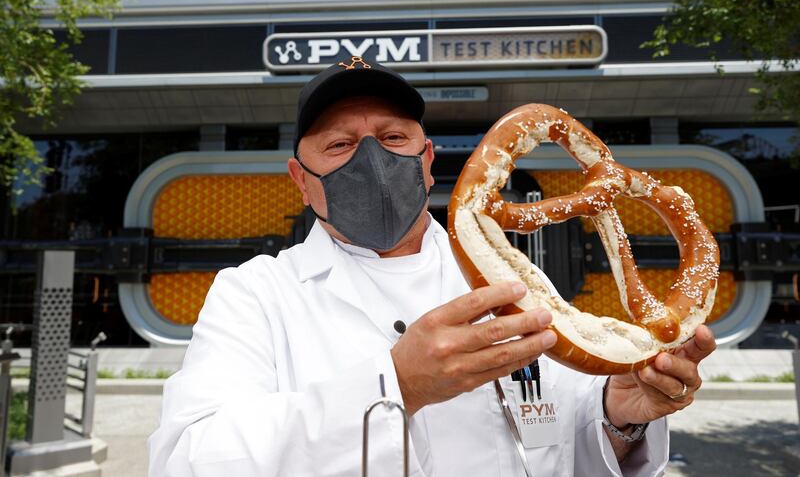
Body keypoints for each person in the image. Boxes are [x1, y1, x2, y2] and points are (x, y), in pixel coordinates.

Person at [148, 56, 715, 477]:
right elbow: (189, 460)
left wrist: (623, 414)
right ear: (301, 179)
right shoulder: (254, 294)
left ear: (427, 162)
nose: (373, 158)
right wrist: (394, 385)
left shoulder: (520, 281)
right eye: (341, 146)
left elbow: (566, 449)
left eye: (393, 138)